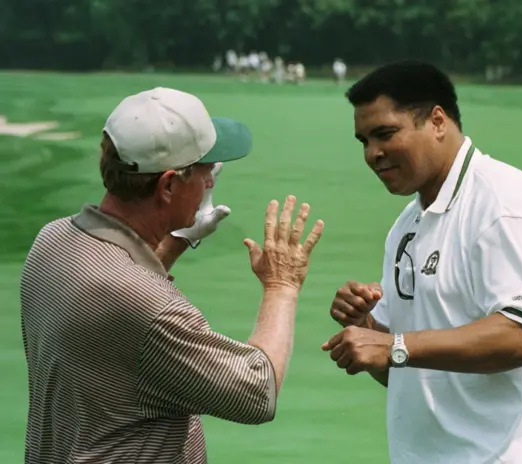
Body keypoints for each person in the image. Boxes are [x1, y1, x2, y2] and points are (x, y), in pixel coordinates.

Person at [20, 87, 324, 463]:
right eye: (203, 171)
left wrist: (171, 244)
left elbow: (112, 322)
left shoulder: (52, 242)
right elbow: (257, 393)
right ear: (167, 185)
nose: (211, 181)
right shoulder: (150, 308)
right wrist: (282, 285)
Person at [322, 61, 522, 463]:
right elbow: (404, 370)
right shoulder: (406, 226)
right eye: (363, 140)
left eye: (385, 134)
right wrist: (367, 332)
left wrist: (394, 345)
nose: (372, 154)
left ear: (437, 121)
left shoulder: (503, 201)